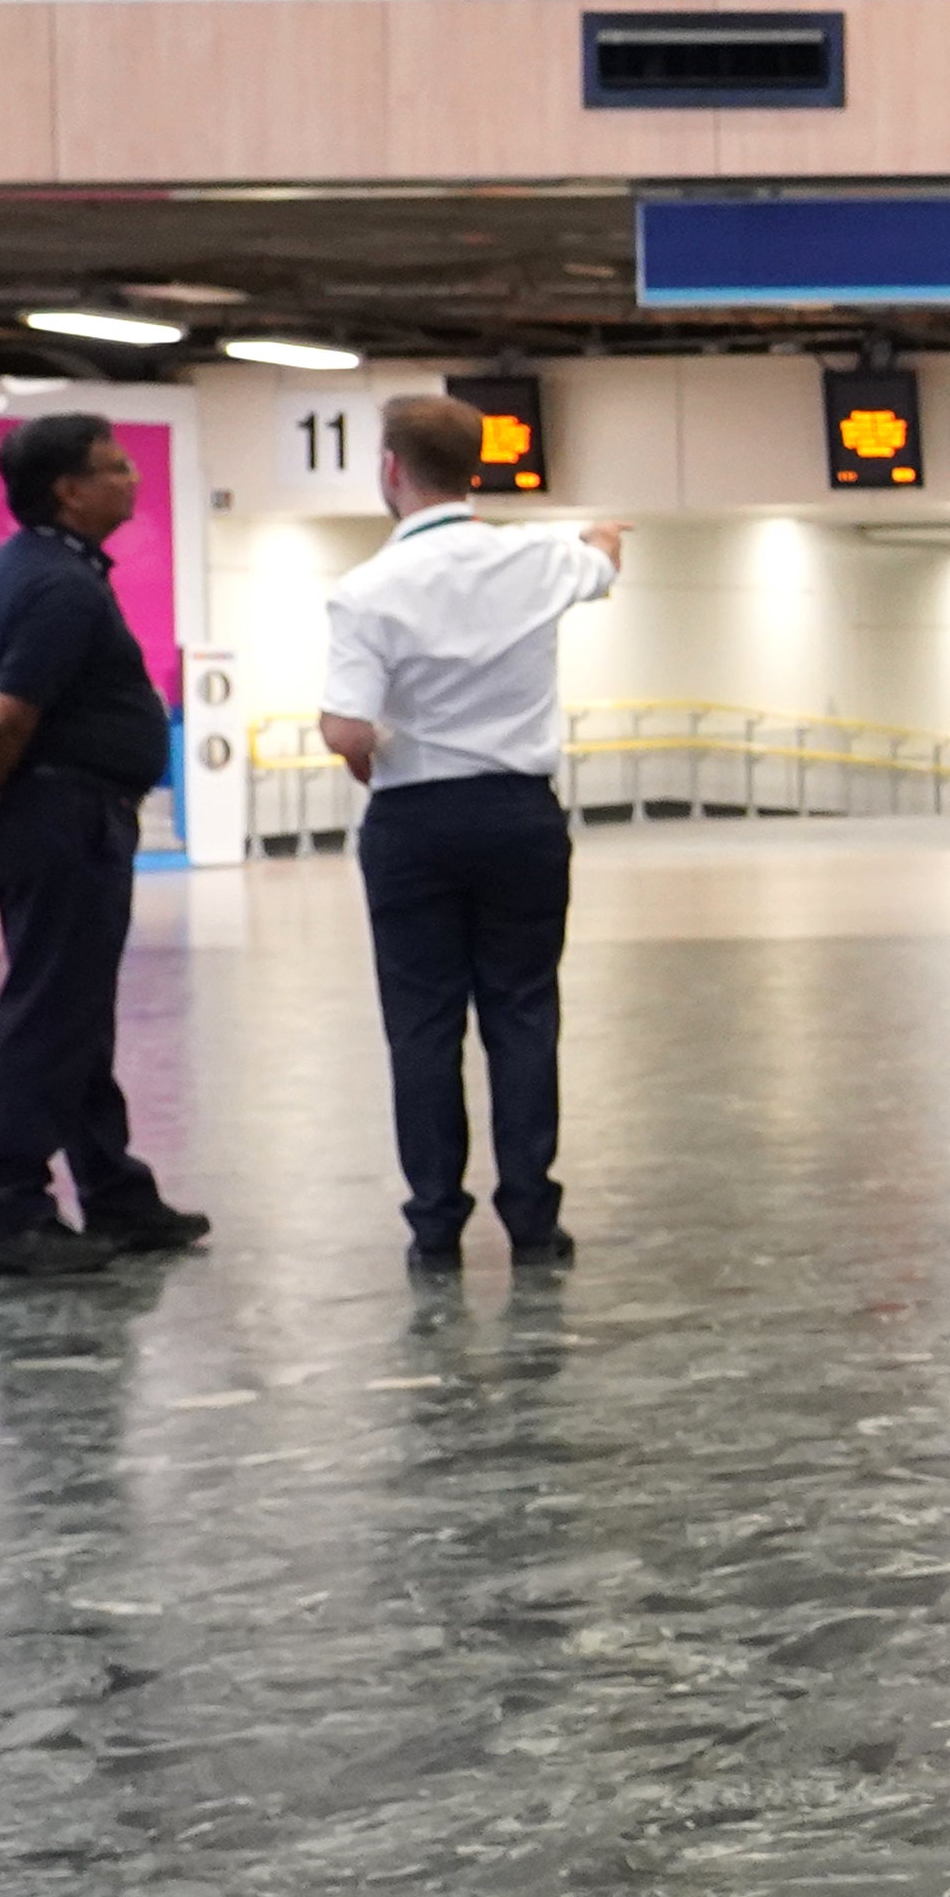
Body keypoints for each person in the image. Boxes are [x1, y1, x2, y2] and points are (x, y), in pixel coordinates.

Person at [314, 392, 626, 1263]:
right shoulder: (536, 560)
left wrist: (372, 756)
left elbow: (345, 727)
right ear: (476, 470)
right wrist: (604, 534)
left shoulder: (365, 590)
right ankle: (532, 1217)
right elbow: (600, 565)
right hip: (519, 816)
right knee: (523, 1014)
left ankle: (435, 1224)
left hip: (414, 823)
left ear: (389, 471)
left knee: (423, 1027)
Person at [0, 409, 207, 1280]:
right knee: (50, 1011)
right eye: (117, 468)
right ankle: (9, 1211)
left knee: (70, 1005)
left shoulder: (8, 572)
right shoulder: (58, 589)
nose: (134, 480)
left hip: (45, 816)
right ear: (70, 492)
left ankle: (113, 1192)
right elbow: (1, 715)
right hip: (66, 820)